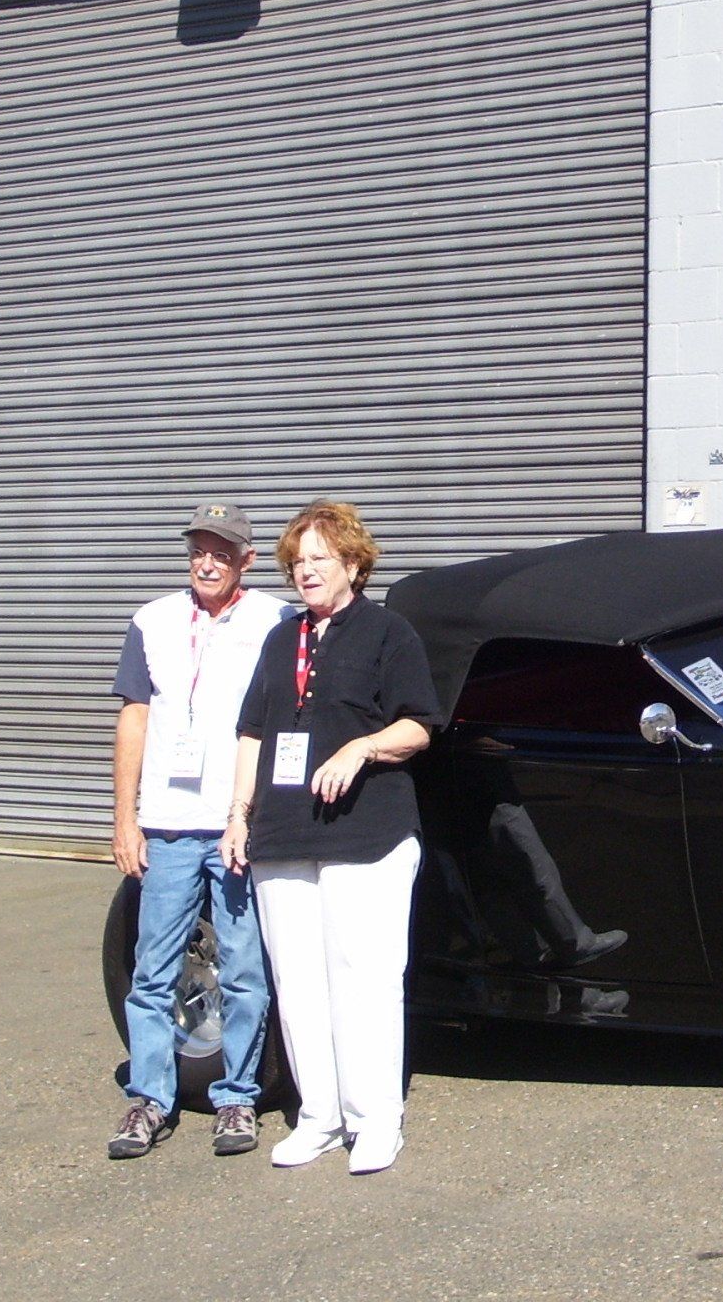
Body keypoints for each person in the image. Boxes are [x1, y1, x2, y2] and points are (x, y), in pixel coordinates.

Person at [221, 500, 441, 1174]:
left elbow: (419, 725)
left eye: (319, 558)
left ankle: (375, 1121)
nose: (306, 571)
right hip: (284, 835)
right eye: (297, 561)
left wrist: (361, 748)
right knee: (298, 984)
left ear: (353, 563)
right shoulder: (281, 639)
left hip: (366, 835)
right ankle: (319, 1117)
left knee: (363, 979)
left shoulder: (388, 633)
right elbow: (252, 731)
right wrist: (238, 814)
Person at [108, 502, 295, 1160]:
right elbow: (134, 718)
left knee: (244, 969)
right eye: (198, 551)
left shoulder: (276, 620)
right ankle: (149, 1099)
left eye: (222, 552)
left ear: (246, 560)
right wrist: (125, 818)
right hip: (167, 826)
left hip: (235, 825)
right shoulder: (152, 620)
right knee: (152, 969)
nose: (207, 563)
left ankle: (237, 1097)